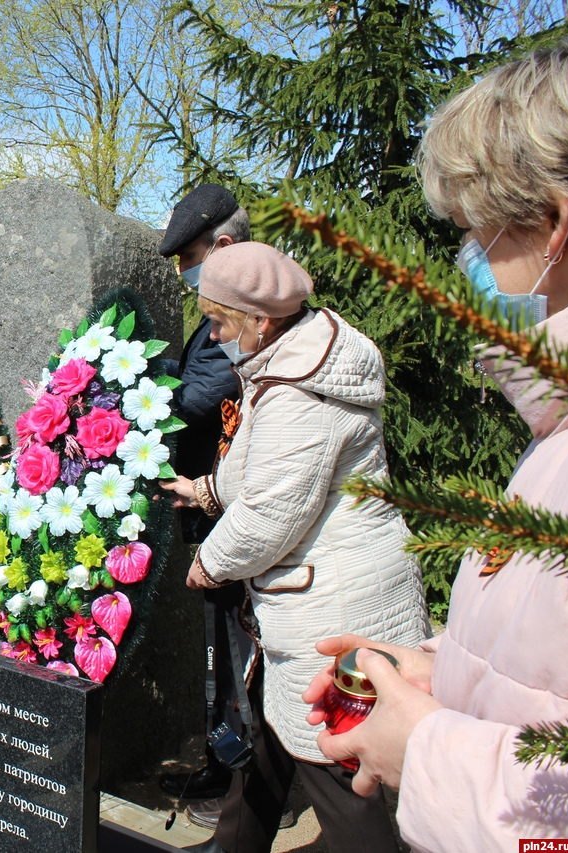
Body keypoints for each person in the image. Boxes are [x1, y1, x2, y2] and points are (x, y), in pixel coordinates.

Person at [303, 39, 568, 850]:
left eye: (476, 231)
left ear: (554, 223)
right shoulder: (555, 431)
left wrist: (422, 746)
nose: (467, 261)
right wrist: (435, 673)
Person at [160, 242, 429, 853]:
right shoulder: (291, 359)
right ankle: (236, 843)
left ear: (259, 320)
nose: (219, 335)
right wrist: (204, 490)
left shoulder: (302, 392)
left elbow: (272, 512)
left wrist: (210, 562)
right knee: (267, 733)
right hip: (309, 603)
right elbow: (259, 463)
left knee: (333, 762)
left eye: (223, 323)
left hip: (335, 610)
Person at [155, 185, 255, 809]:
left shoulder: (244, 311)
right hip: (214, 505)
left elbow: (199, 399)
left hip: (231, 510)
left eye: (189, 258)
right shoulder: (231, 303)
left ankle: (241, 770)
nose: (186, 273)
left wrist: (131, 383)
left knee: (240, 651)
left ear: (221, 247)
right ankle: (232, 762)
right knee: (226, 641)